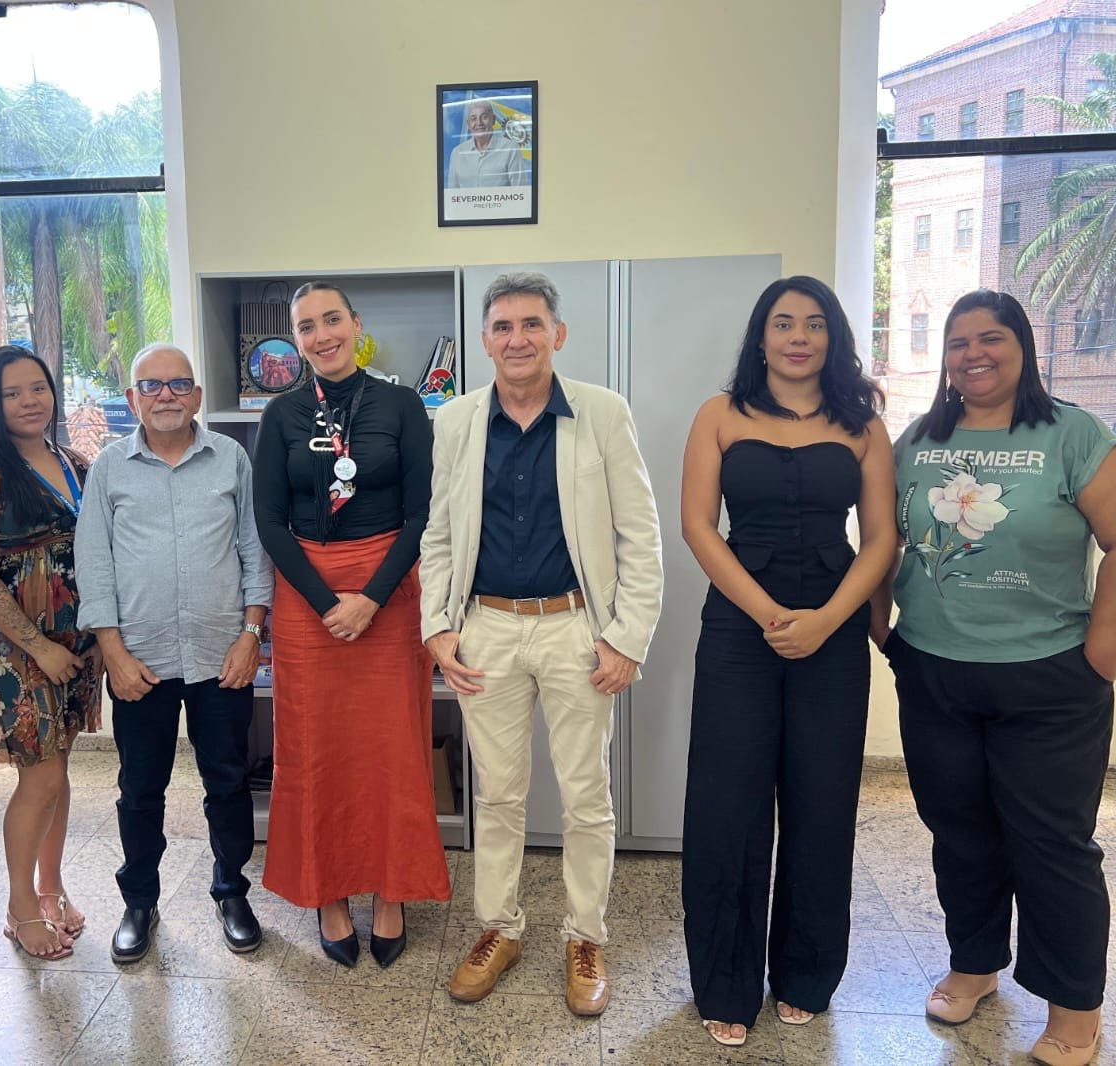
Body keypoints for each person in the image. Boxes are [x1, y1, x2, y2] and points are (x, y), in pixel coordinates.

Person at [873, 290, 1116, 1066]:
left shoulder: (1073, 433)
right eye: (959, 342)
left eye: (991, 338)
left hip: (1049, 681)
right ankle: (975, 966)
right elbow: (881, 536)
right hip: (935, 672)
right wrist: (883, 626)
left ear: (1022, 347)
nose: (974, 354)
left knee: (1052, 845)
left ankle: (1074, 1005)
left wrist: (1101, 656)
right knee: (960, 833)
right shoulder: (920, 439)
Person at [420, 271, 663, 1016]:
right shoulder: (456, 421)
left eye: (532, 324)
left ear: (557, 334)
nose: (517, 338)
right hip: (486, 628)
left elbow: (640, 534)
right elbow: (438, 532)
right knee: (497, 794)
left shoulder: (602, 412)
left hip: (575, 628)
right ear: (485, 340)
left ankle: (585, 937)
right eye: (503, 326)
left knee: (586, 794)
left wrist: (626, 636)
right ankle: (499, 928)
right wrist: (438, 625)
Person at [677, 276, 894, 1048]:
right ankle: (725, 983)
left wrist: (829, 619)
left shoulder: (863, 425)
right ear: (761, 337)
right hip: (740, 631)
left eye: (814, 324)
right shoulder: (719, 414)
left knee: (821, 802)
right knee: (727, 803)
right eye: (783, 323)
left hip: (832, 632)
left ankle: (805, 974)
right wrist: (768, 613)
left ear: (833, 338)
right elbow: (699, 527)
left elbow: (882, 539)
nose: (798, 337)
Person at [253, 282, 450, 969]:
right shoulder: (280, 413)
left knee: (392, 747)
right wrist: (324, 601)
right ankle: (327, 891)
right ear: (297, 340)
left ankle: (393, 890)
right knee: (314, 751)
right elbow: (268, 521)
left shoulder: (401, 405)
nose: (322, 335)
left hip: (389, 592)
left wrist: (371, 597)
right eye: (307, 326)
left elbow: (424, 514)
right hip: (307, 600)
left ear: (356, 325)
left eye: (332, 319)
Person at [74, 344, 274, 963]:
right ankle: (139, 902)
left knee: (228, 782)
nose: (166, 395)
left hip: (222, 656)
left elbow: (255, 550)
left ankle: (231, 892)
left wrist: (251, 636)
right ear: (132, 398)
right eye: (152, 385)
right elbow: (94, 563)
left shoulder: (231, 458)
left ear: (197, 396)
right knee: (140, 789)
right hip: (141, 661)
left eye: (179, 384)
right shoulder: (109, 467)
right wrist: (112, 652)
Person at [0, 344, 102, 962]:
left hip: (76, 643)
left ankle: (51, 887)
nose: (30, 401)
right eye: (12, 393)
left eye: (38, 387)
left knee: (58, 770)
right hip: (14, 646)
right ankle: (19, 906)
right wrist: (38, 646)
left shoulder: (73, 461)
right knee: (42, 775)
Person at [446, 98, 529, 189]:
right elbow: (452, 194)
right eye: (473, 119)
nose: (479, 123)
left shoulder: (510, 148)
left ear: (493, 120)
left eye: (484, 117)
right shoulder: (457, 153)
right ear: (468, 124)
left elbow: (521, 191)